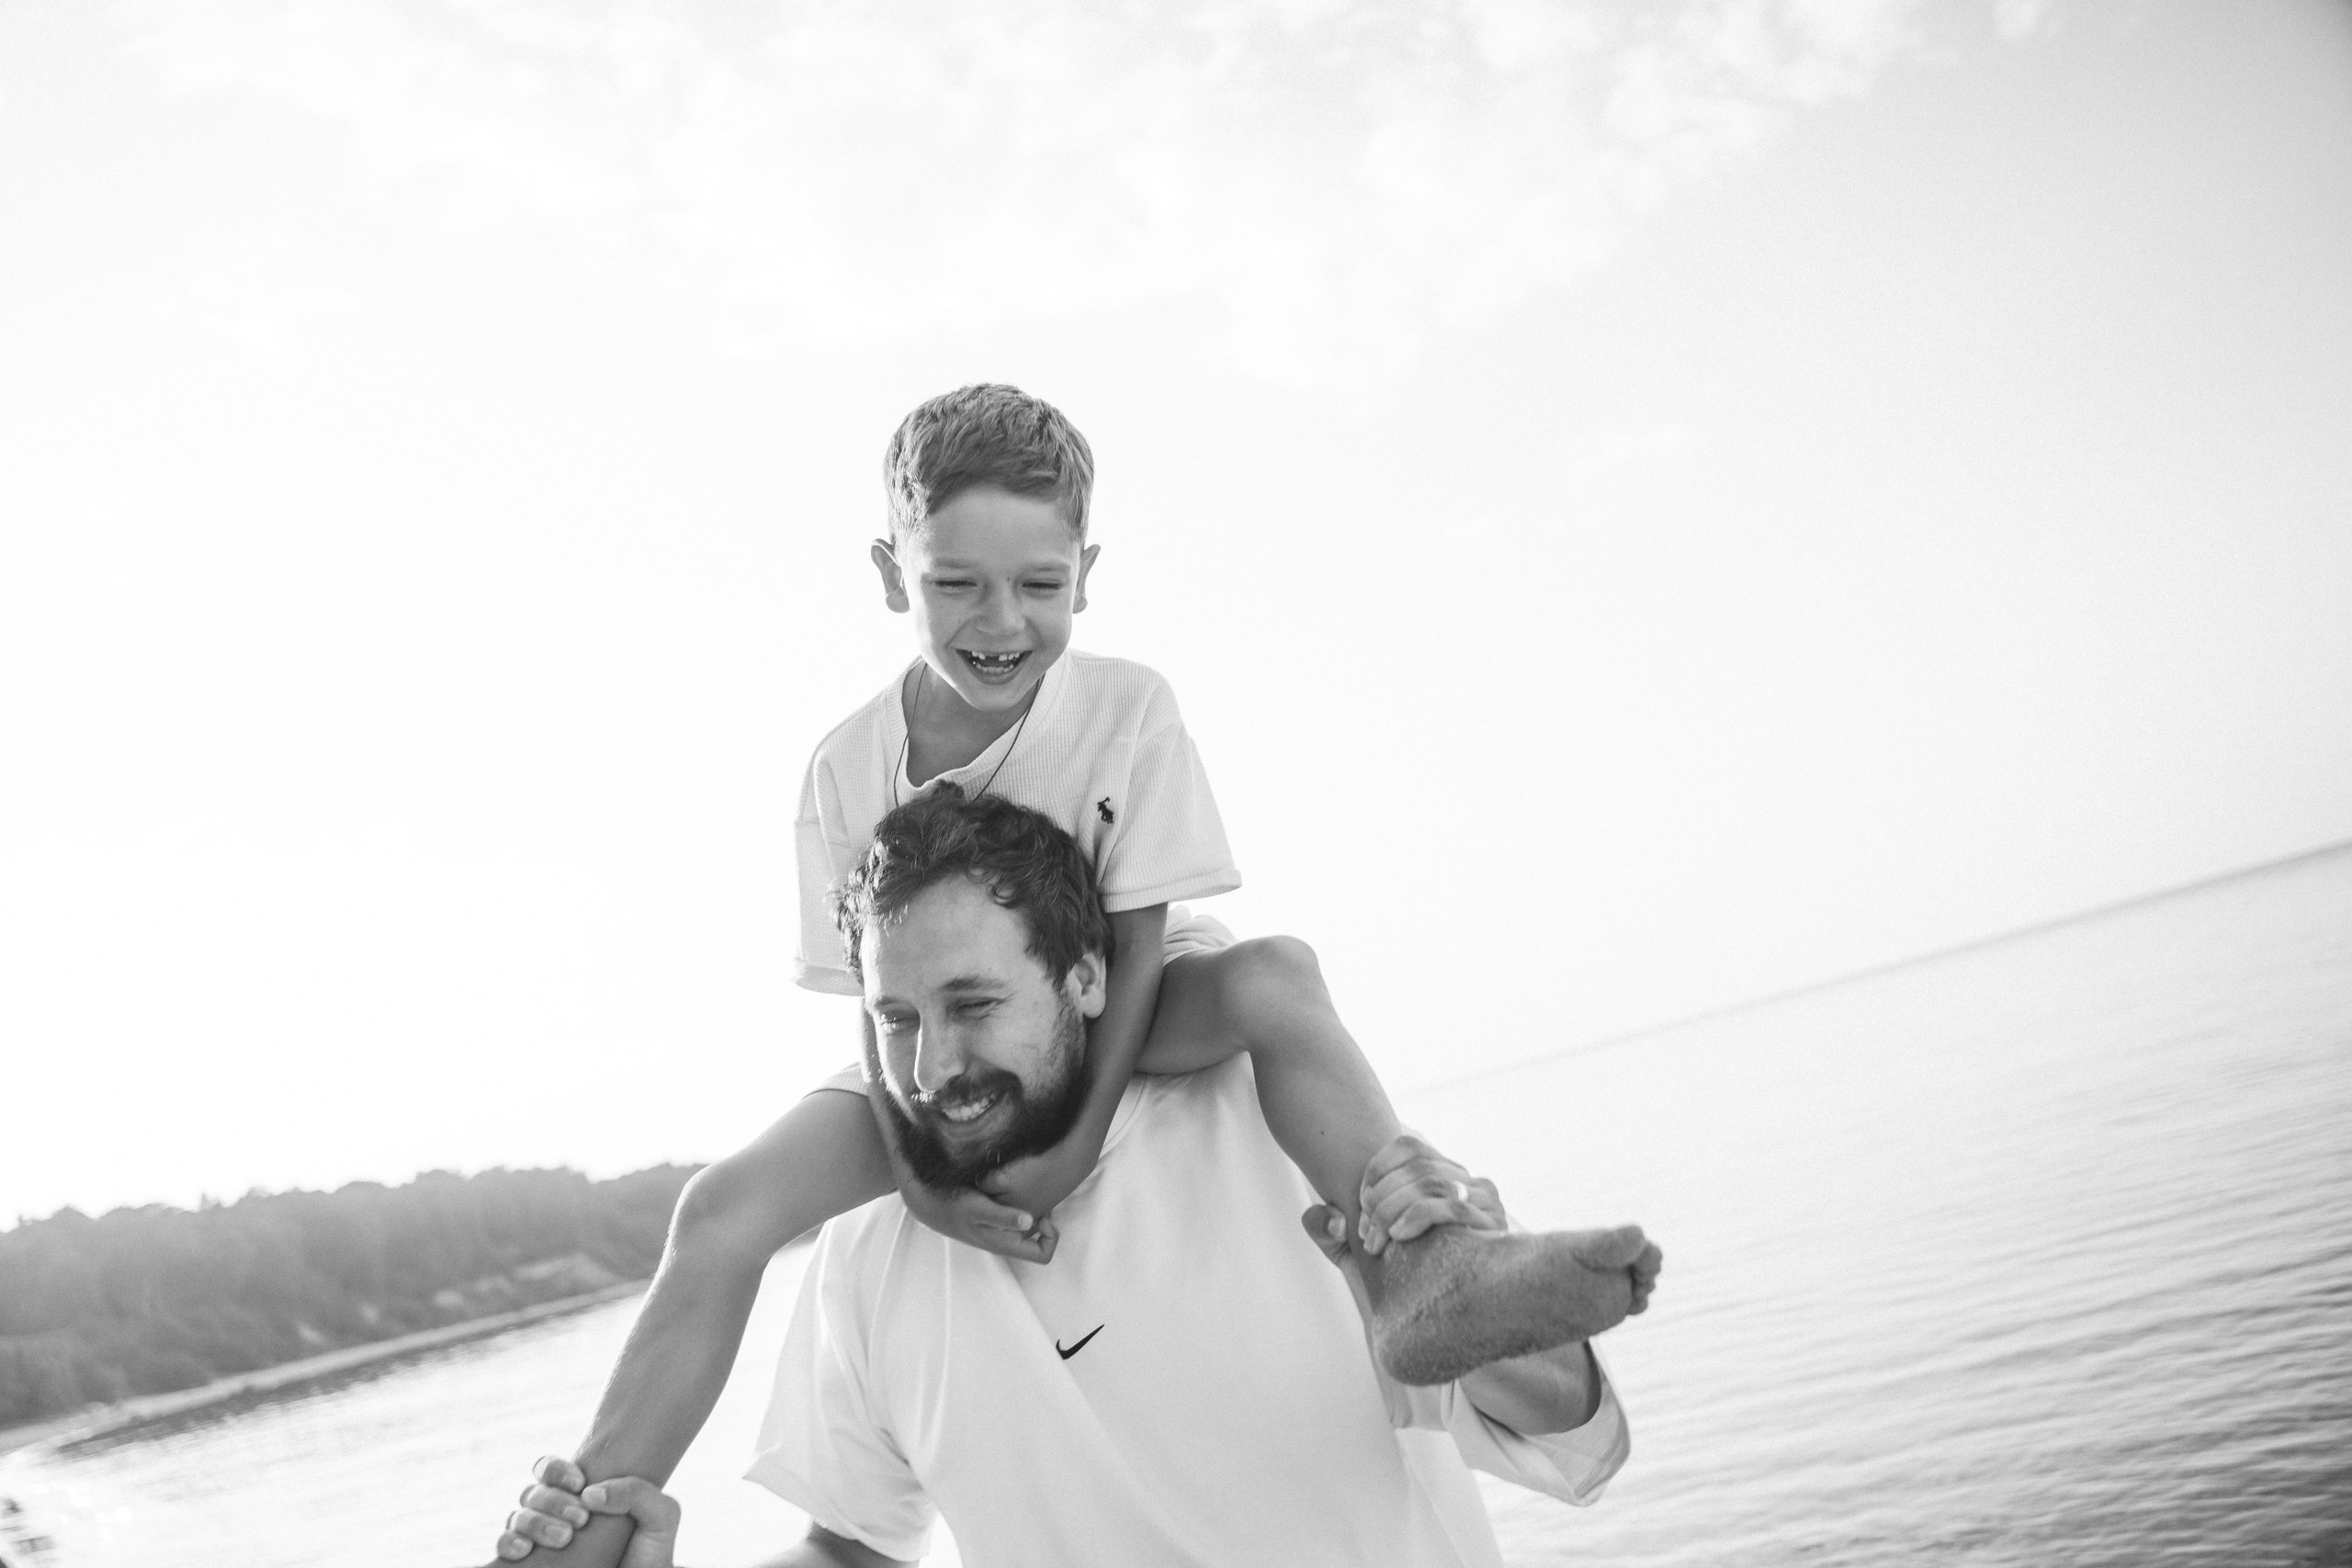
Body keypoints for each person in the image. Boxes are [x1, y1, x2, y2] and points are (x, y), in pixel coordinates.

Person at [508, 386, 1629, 1566]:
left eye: (1037, 585)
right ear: (891, 574)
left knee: (1275, 978)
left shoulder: (1125, 713)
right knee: (720, 1208)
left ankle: (1430, 1270)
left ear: (1083, 576)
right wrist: (920, 1179)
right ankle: (587, 1525)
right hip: (994, 1037)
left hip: (1145, 985)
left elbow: (1136, 946)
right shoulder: (846, 769)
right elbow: (869, 998)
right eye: (956, 584)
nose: (1000, 622)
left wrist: (1072, 1145)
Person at [499, 790, 1662, 1566]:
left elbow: (1567, 1422)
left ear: (1090, 979)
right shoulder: (865, 1252)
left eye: (973, 1004)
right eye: (896, 1019)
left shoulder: (1279, 1125)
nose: (933, 1066)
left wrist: (1459, 1289)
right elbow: (853, 1551)